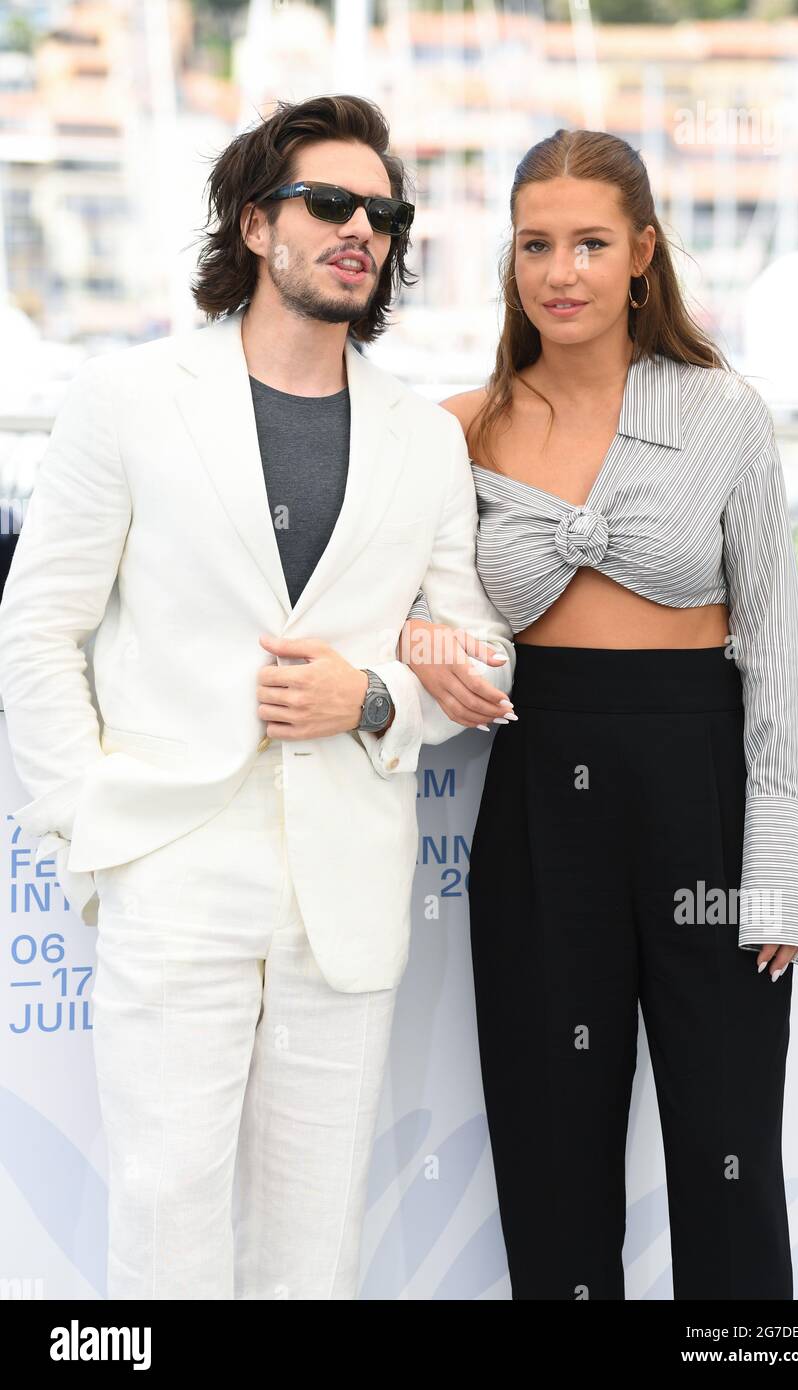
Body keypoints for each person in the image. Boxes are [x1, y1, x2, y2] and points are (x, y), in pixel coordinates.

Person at [0, 94, 515, 1300]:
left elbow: (478, 654)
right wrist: (91, 829)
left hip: (344, 890)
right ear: (254, 223)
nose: (360, 231)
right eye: (328, 204)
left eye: (381, 214)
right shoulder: (126, 399)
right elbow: (36, 627)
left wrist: (375, 696)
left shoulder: (420, 438)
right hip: (171, 866)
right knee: (163, 1226)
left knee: (315, 1244)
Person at [402, 127, 798, 1300]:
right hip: (541, 795)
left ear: (641, 253)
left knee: (728, 1149)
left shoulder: (720, 412)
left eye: (590, 243)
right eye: (534, 244)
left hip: (704, 792)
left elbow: (777, 646)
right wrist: (416, 638)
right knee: (550, 1147)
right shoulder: (458, 427)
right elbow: (389, 596)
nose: (561, 270)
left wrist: (778, 851)